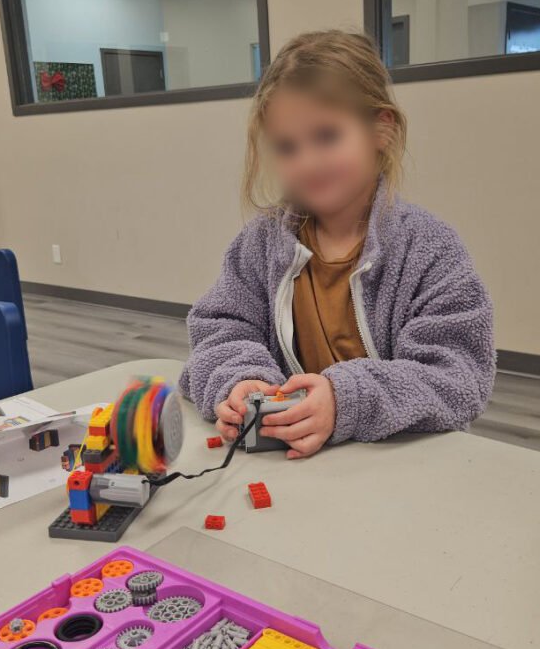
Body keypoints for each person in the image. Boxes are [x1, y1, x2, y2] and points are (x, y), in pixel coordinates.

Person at [180, 30, 494, 459]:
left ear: (381, 129)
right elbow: (220, 329)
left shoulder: (430, 249)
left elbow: (458, 378)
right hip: (298, 472)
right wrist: (241, 379)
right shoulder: (259, 244)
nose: (307, 162)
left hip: (403, 465)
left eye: (327, 136)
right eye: (287, 147)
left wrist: (345, 400)